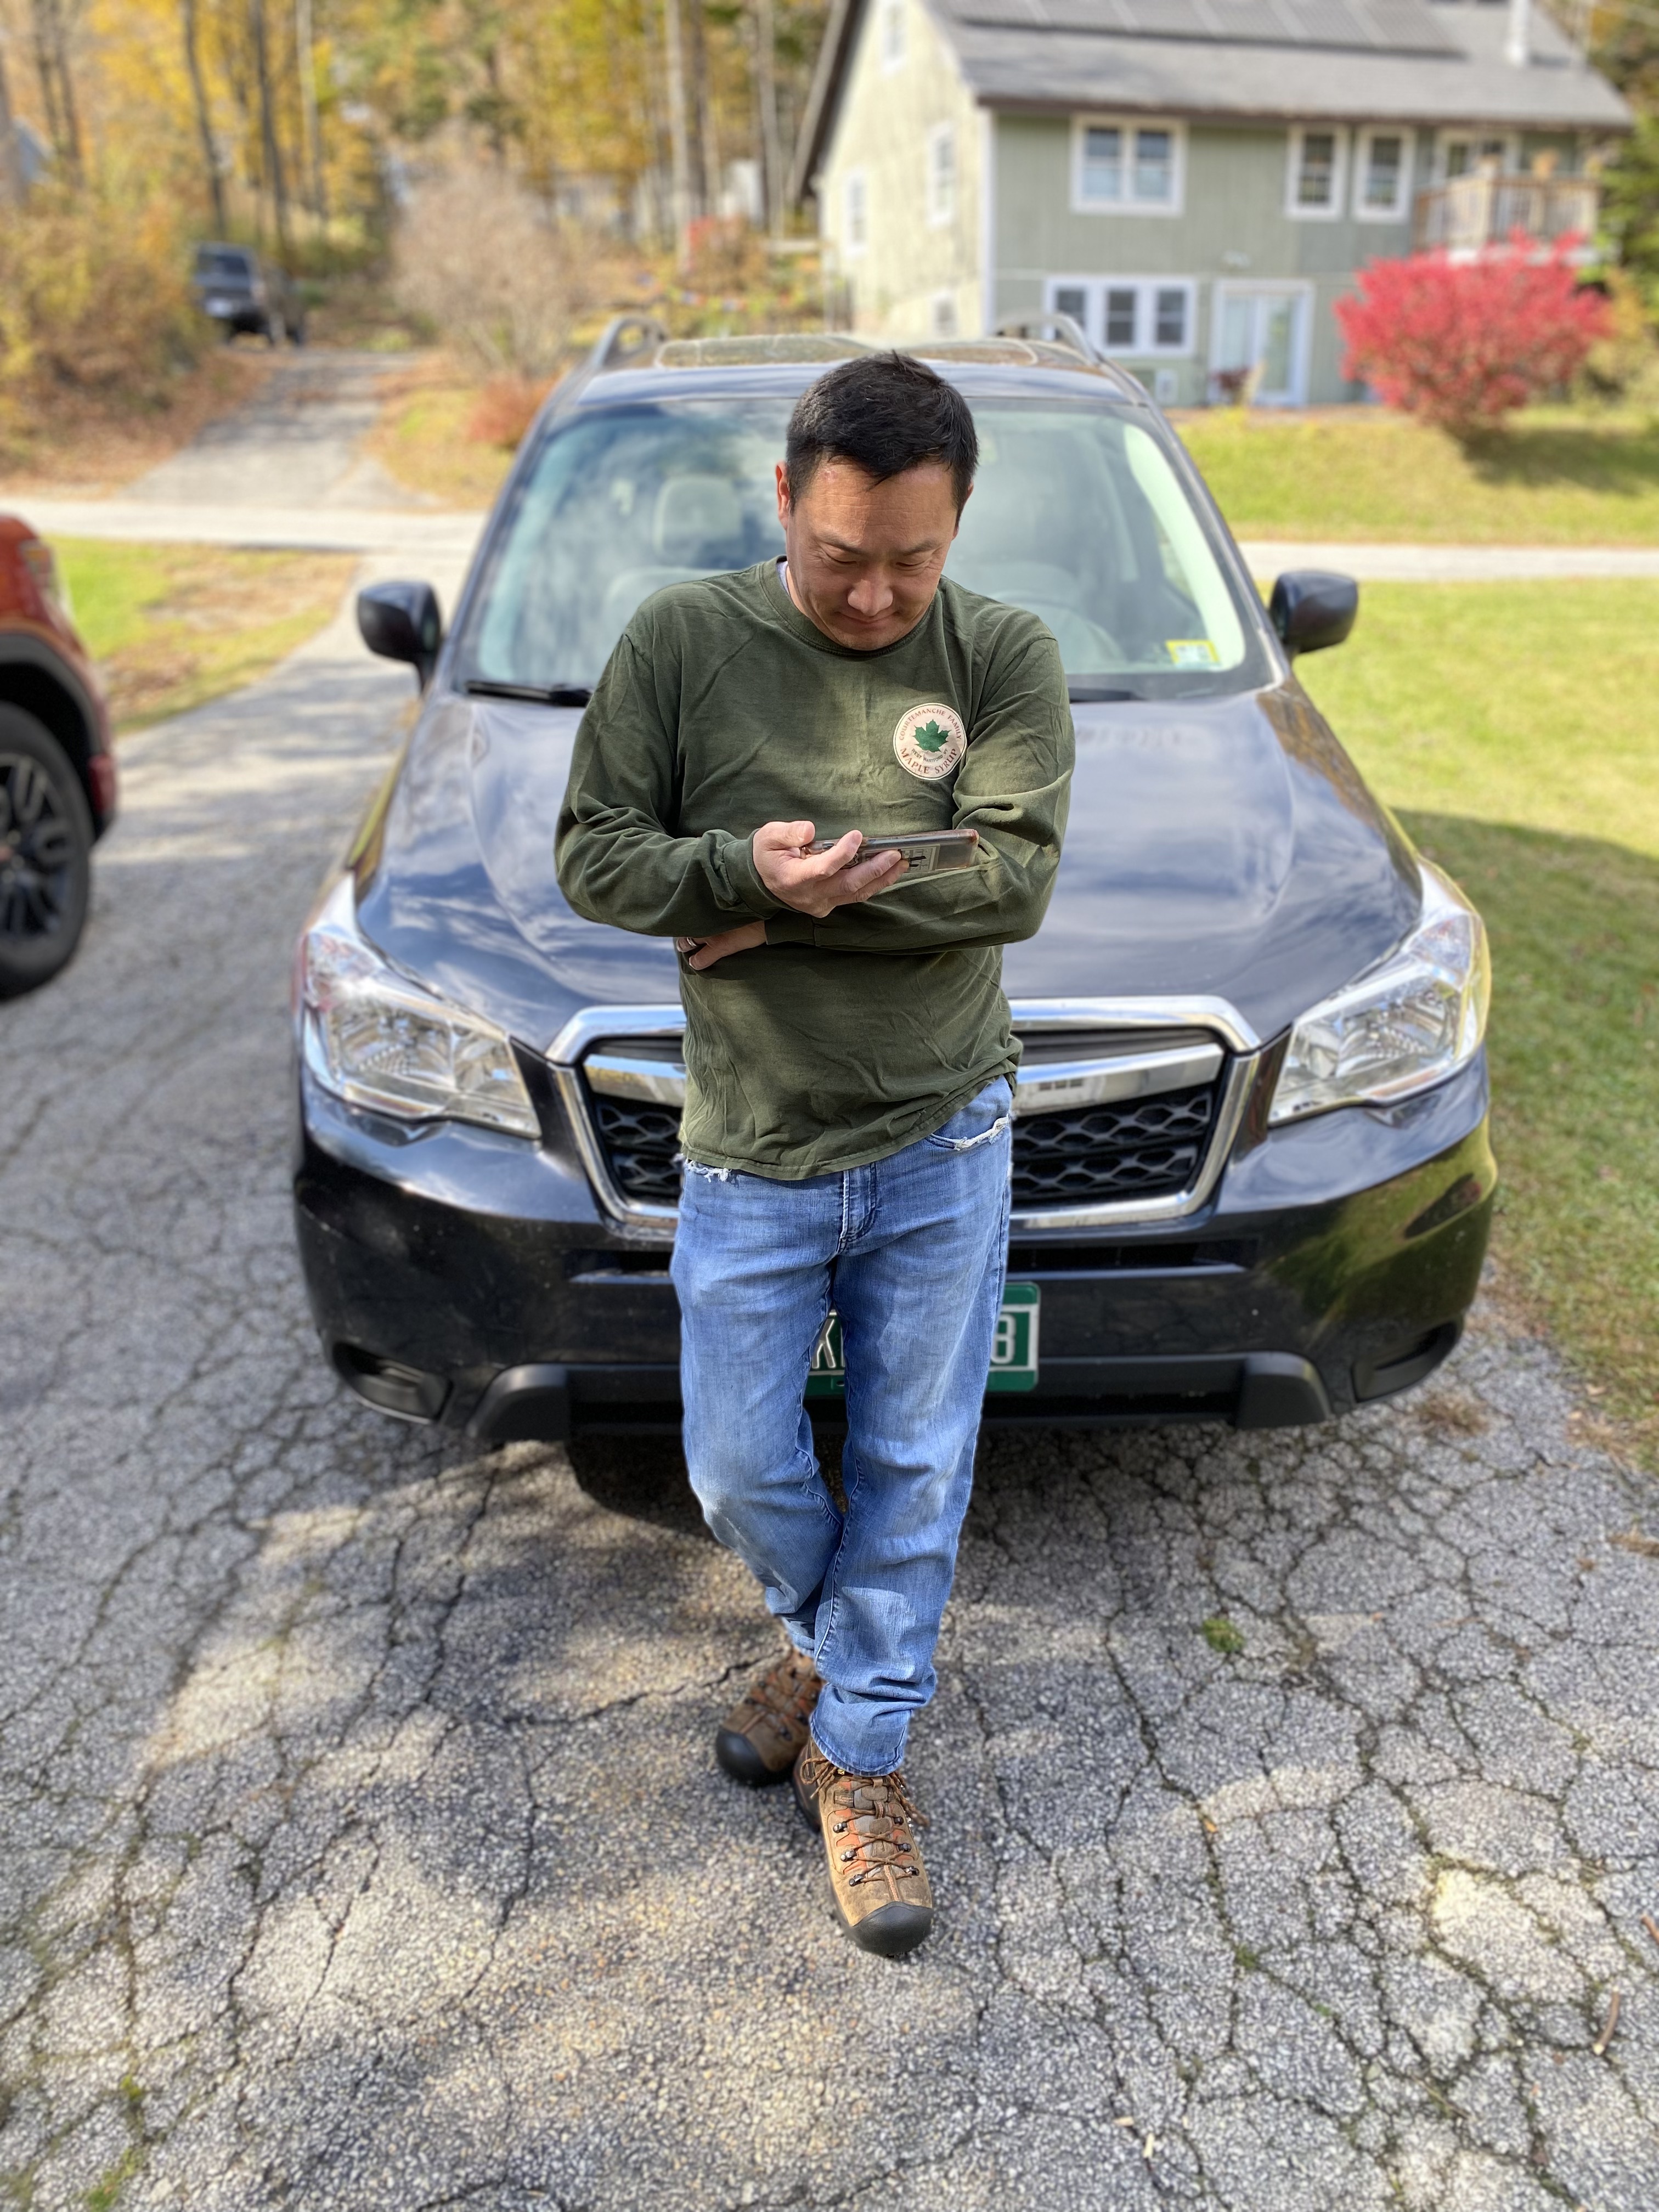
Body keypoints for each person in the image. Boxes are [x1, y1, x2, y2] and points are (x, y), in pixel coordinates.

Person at [555, 351, 1073, 1957]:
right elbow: (593, 854)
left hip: (944, 1136)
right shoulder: (682, 643)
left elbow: (1013, 884)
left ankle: (860, 1751)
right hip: (755, 1149)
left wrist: (767, 913)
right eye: (844, 556)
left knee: (917, 1467)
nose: (874, 594)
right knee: (733, 1461)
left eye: (911, 560)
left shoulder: (1003, 654)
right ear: (784, 500)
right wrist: (734, 873)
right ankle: (837, 1643)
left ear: (958, 524)